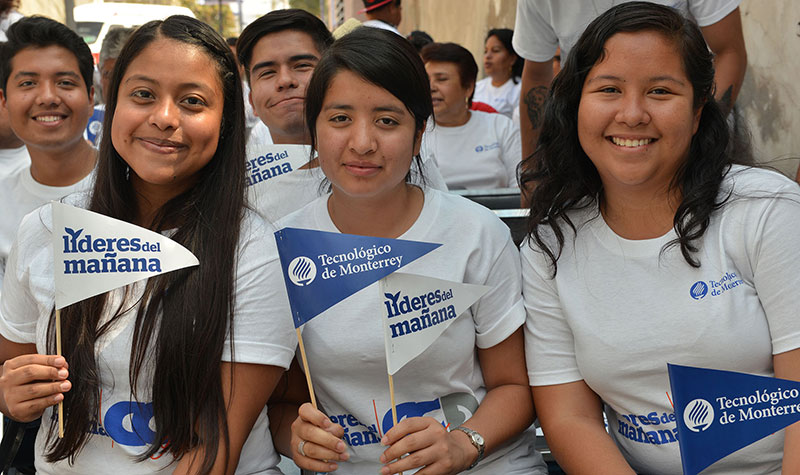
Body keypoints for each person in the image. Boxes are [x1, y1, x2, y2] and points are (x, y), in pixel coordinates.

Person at [0, 15, 296, 474]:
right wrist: (14, 394)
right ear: (112, 104)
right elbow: (15, 361)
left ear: (227, 122)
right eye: (142, 95)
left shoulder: (250, 247)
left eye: (193, 101)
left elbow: (213, 449)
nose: (163, 117)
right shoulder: (45, 228)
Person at [520, 3, 800, 473]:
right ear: (575, 106)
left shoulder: (767, 210)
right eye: (608, 89)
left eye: (660, 91)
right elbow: (570, 418)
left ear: (696, 113)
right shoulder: (550, 246)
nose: (632, 114)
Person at [274, 26, 545, 475]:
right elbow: (280, 402)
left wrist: (462, 445)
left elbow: (515, 387)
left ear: (419, 135)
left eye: (387, 120)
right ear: (315, 130)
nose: (363, 143)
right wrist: (294, 438)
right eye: (340, 118)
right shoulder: (282, 247)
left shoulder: (475, 233)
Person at [237, 10, 445, 221]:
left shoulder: (402, 160)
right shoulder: (240, 191)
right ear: (252, 101)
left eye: (302, 66)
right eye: (267, 72)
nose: (285, 80)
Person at [513, 0, 748, 172]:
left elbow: (728, 51)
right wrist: (534, 172)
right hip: (594, 140)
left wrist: (698, 129)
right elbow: (536, 78)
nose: (632, 116)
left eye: (659, 90)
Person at [0, 16, 97, 296]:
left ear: (91, 98)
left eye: (65, 82)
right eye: (28, 83)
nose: (47, 97)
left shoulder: (136, 188)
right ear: (5, 101)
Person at [420, 42, 520, 190]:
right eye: (426, 80)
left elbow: (520, 187)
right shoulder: (416, 135)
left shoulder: (501, 127)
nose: (431, 87)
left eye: (441, 79)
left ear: (468, 87)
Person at [85, 26, 134, 146]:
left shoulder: (154, 123)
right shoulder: (86, 121)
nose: (117, 84)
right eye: (110, 75)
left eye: (126, 76)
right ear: (100, 74)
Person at [473, 28, 523, 120]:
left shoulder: (520, 90)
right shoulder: (477, 87)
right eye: (485, 51)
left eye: (495, 50)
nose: (488, 56)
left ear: (512, 58)